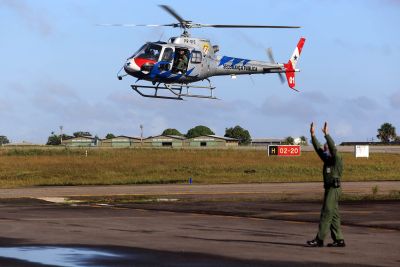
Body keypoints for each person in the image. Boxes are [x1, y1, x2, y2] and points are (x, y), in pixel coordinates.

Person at [307, 122, 346, 247]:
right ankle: (339, 239)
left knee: (326, 212)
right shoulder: (327, 159)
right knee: (334, 215)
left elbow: (333, 148)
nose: (324, 150)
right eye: (324, 148)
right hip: (329, 189)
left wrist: (326, 134)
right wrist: (312, 135)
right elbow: (318, 149)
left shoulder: (337, 159)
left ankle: (319, 239)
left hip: (334, 189)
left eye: (326, 148)